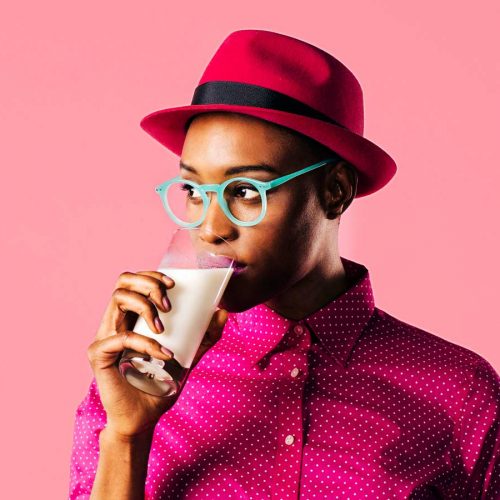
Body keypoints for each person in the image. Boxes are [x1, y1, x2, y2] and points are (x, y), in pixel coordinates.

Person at [68, 29, 499, 499]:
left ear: (335, 191)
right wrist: (127, 437)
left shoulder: (459, 393)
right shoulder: (138, 378)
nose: (210, 228)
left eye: (245, 192)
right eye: (194, 192)